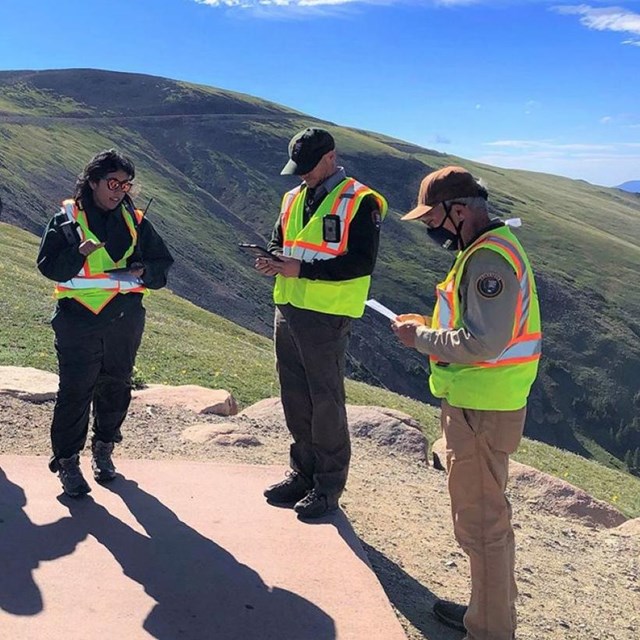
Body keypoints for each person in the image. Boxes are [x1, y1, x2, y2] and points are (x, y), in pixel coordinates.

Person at [392, 166, 541, 640]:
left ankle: (491, 630)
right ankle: (485, 613)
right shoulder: (490, 248)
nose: (431, 229)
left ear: (458, 210)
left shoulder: (488, 260)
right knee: (483, 520)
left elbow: (483, 342)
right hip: (485, 402)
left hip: (481, 408)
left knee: (481, 526)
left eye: (433, 218)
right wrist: (429, 328)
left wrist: (420, 339)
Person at [255, 127, 388, 519]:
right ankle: (302, 473)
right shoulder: (293, 197)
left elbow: (361, 262)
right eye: (298, 167)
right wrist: (273, 260)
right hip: (289, 305)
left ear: (330, 157)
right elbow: (282, 240)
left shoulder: (362, 201)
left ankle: (328, 487)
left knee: (325, 402)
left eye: (309, 166)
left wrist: (302, 269)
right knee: (295, 395)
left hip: (328, 315)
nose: (302, 174)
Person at [37, 149, 174, 497]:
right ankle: (67, 461)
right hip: (77, 319)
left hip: (124, 317)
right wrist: (78, 253)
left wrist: (146, 271)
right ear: (93, 181)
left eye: (126, 185)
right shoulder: (67, 218)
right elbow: (49, 266)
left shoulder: (136, 220)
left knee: (116, 385)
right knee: (75, 391)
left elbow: (162, 265)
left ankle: (104, 448)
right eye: (113, 183)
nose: (119, 191)